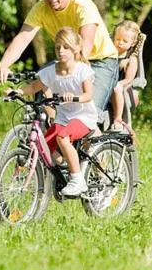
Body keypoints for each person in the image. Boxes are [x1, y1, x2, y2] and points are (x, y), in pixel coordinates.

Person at [0, 0, 119, 123]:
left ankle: (101, 125)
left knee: (86, 112)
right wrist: (4, 64)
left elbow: (85, 44)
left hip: (101, 60)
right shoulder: (41, 8)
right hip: (67, 60)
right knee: (42, 91)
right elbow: (23, 37)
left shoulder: (82, 6)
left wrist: (71, 76)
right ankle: (50, 129)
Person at [7, 27, 100, 196]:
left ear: (76, 49)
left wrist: (74, 98)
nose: (61, 51)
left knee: (62, 137)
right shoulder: (51, 71)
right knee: (46, 146)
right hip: (63, 117)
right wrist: (18, 91)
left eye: (66, 47)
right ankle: (66, 168)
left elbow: (88, 95)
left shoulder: (82, 70)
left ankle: (77, 179)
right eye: (58, 47)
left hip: (83, 117)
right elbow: (34, 87)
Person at [110, 20, 141, 134]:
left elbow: (128, 79)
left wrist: (117, 84)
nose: (120, 43)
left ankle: (118, 118)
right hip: (108, 86)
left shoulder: (131, 59)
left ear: (132, 43)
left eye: (124, 41)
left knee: (116, 86)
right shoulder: (109, 54)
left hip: (125, 89)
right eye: (117, 39)